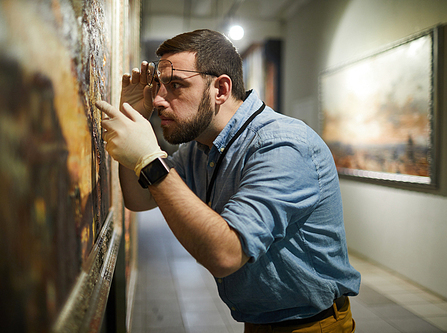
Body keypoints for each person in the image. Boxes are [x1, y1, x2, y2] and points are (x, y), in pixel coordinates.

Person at [96, 29, 361, 332]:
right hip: (261, 321)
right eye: (158, 85)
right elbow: (139, 199)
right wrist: (137, 120)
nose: (157, 99)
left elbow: (226, 254)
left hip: (312, 325)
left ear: (220, 89)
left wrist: (150, 160)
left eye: (175, 85)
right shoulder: (201, 147)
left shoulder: (284, 145)